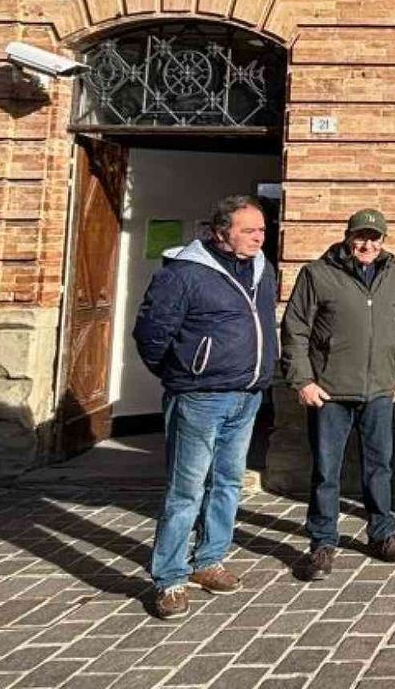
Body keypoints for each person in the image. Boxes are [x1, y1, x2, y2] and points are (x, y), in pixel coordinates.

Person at [133, 195, 279, 620]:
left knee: (228, 482)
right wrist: (184, 374)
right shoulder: (183, 274)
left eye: (262, 230)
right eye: (249, 230)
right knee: (186, 490)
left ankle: (209, 560)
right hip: (199, 396)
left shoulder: (262, 268)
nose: (258, 237)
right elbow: (151, 334)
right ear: (220, 232)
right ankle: (169, 578)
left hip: (247, 394)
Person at [281, 209, 395, 581]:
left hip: (379, 390)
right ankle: (322, 542)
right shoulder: (317, 274)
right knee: (326, 471)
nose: (368, 244)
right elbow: (295, 330)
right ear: (347, 237)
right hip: (330, 392)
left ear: (384, 241)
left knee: (380, 467)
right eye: (361, 237)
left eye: (375, 238)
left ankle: (382, 533)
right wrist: (302, 380)